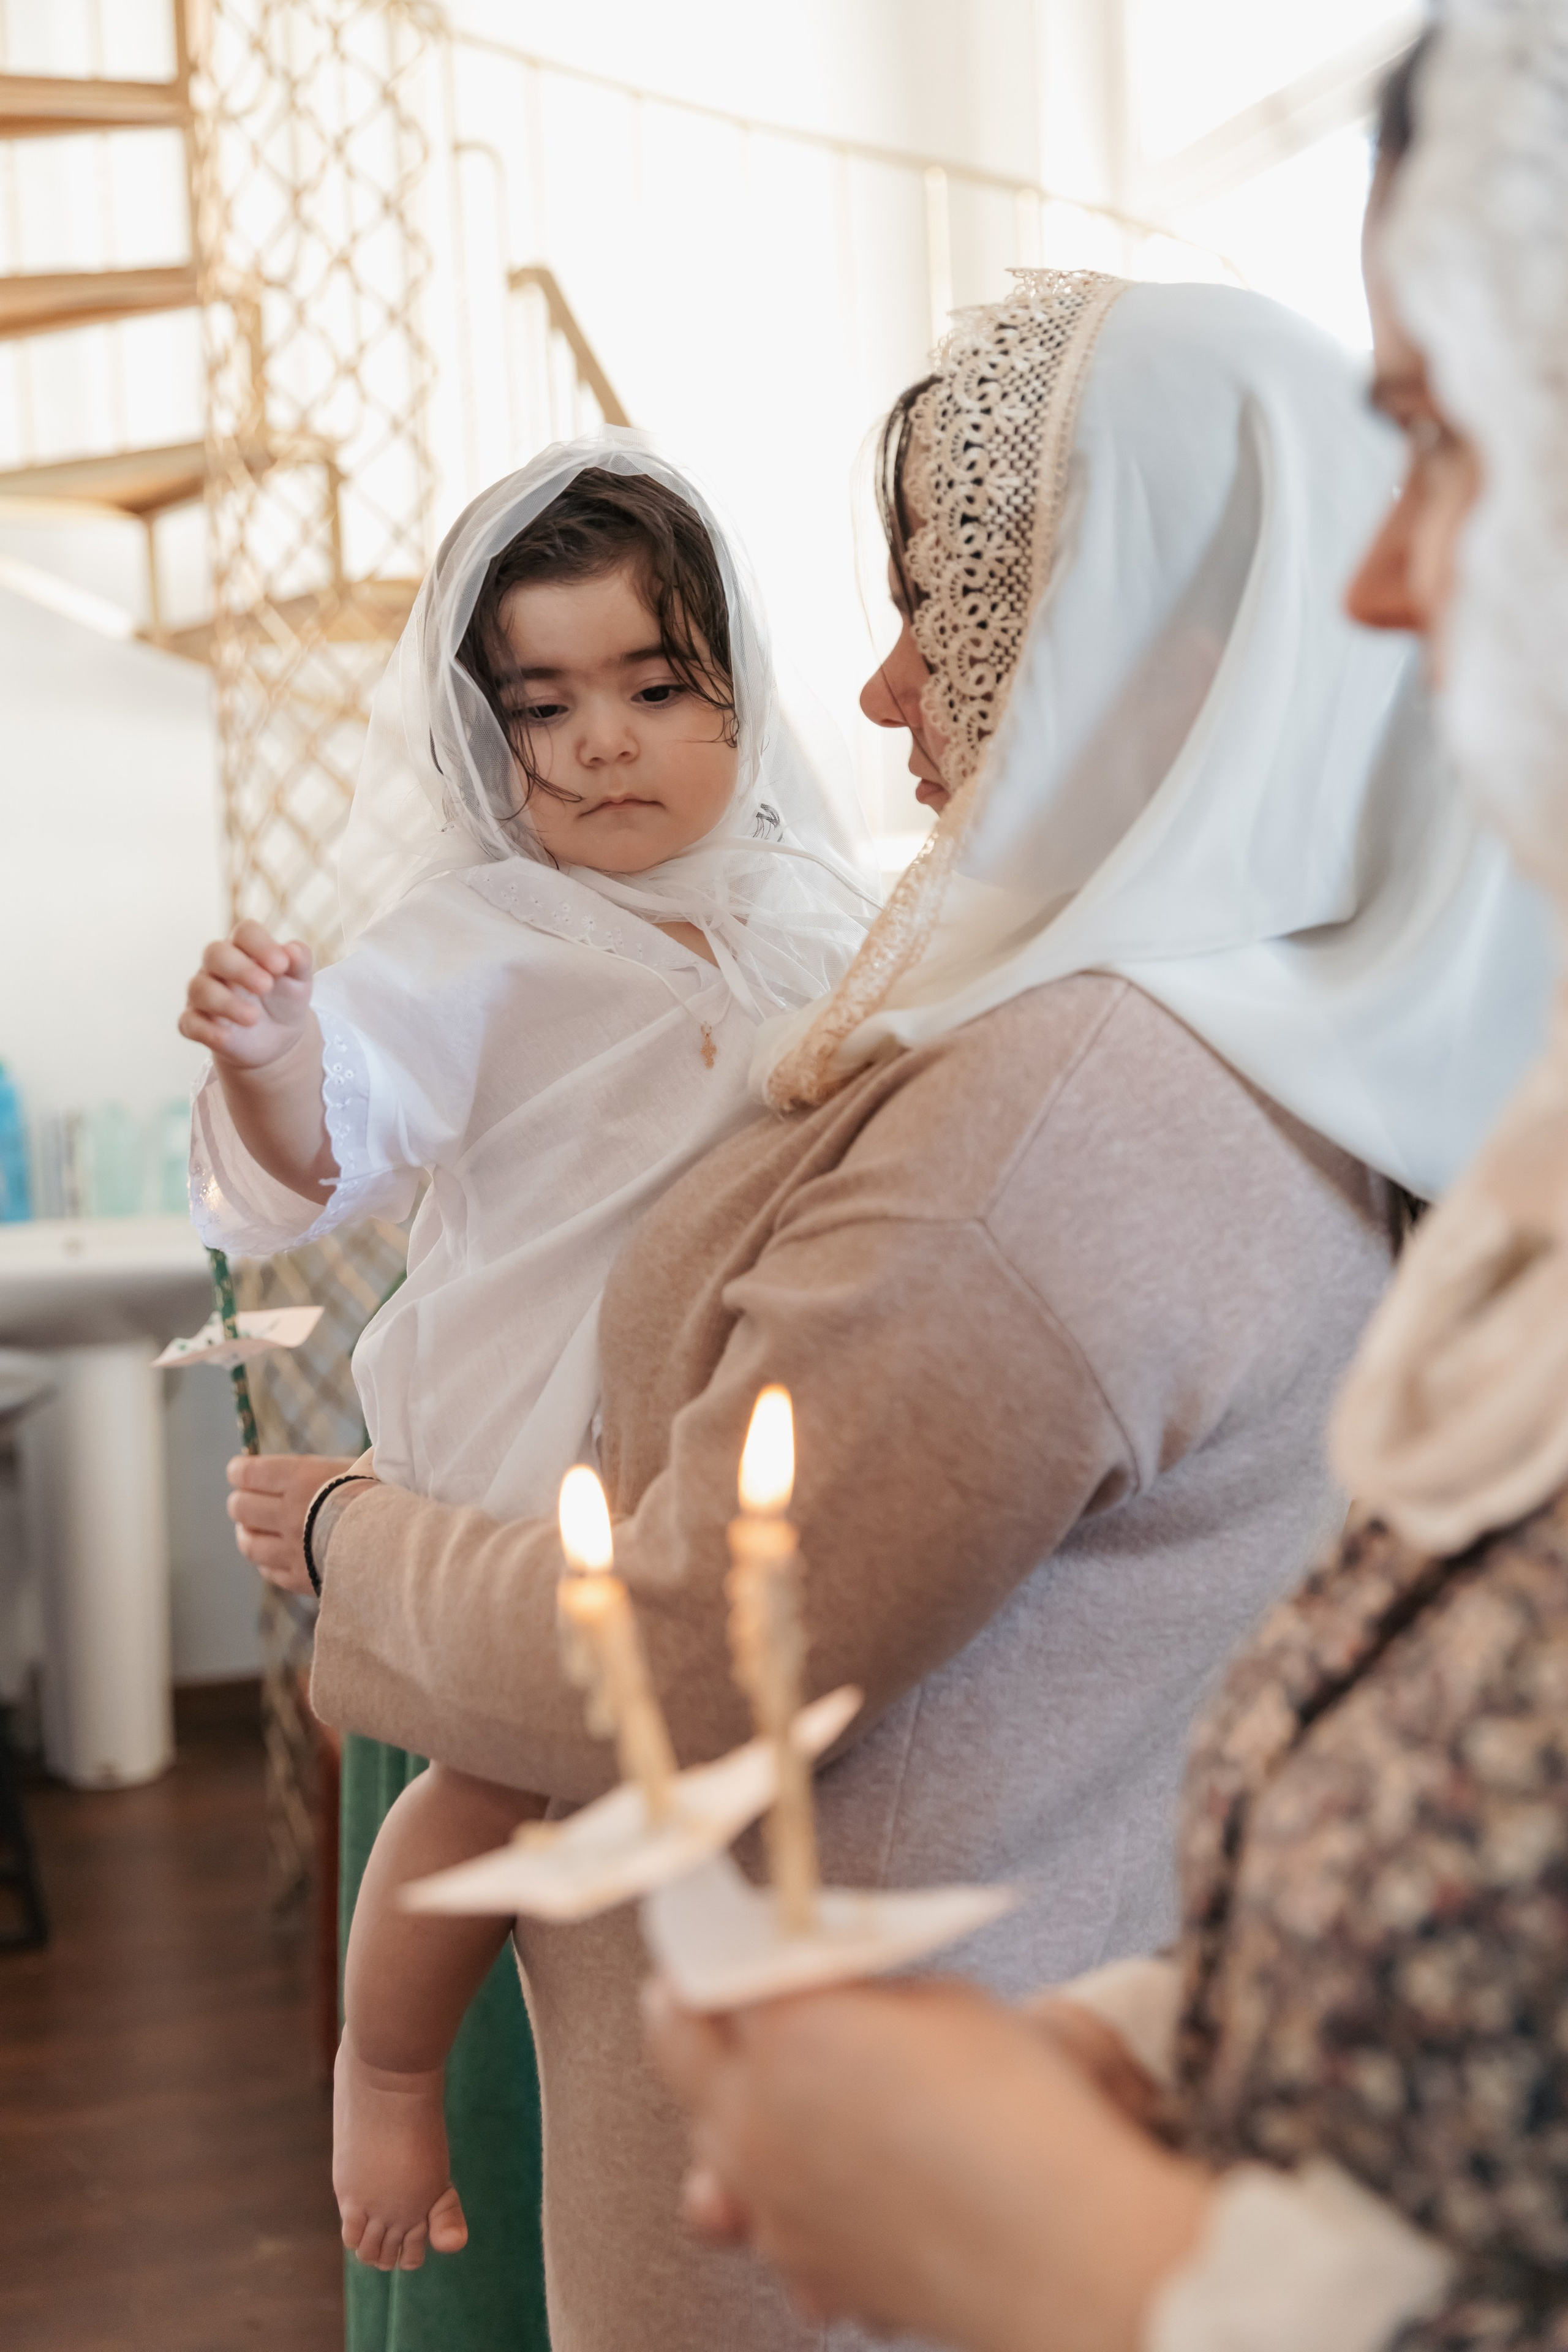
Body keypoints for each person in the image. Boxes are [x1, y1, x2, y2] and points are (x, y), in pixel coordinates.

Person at [277, 252, 1555, 2352]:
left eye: (937, 612)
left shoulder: (1060, 1117)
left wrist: (357, 1545)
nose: (873, 700)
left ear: (1160, 639)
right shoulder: (1282, 1020)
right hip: (1028, 2038)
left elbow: (696, 1651)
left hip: (855, 2205)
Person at [647, 17, 1568, 2350]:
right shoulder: (1457, 1122)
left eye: (1446, 444)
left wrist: (1077, 2248)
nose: (1377, 591)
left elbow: (689, 1642)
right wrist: (1150, 2043)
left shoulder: (1087, 1102)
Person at [179, 442, 872, 2278]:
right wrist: (272, 1054)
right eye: (542, 706)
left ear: (744, 685)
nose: (601, 745)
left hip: (721, 1462)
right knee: (495, 1787)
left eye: (657, 687)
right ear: (485, 740)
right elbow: (319, 1146)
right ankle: (386, 2072)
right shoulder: (473, 942)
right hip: (526, 1463)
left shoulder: (822, 916)